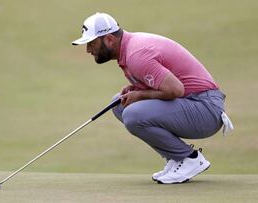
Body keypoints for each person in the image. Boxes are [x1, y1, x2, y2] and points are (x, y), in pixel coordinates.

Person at [71, 12, 233, 184]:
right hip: (195, 104)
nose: (88, 50)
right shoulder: (130, 48)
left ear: (109, 39)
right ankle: (176, 157)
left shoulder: (136, 55)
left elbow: (176, 90)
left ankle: (190, 159)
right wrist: (137, 89)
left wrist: (140, 94)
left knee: (133, 114)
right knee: (119, 103)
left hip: (205, 110)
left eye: (91, 43)